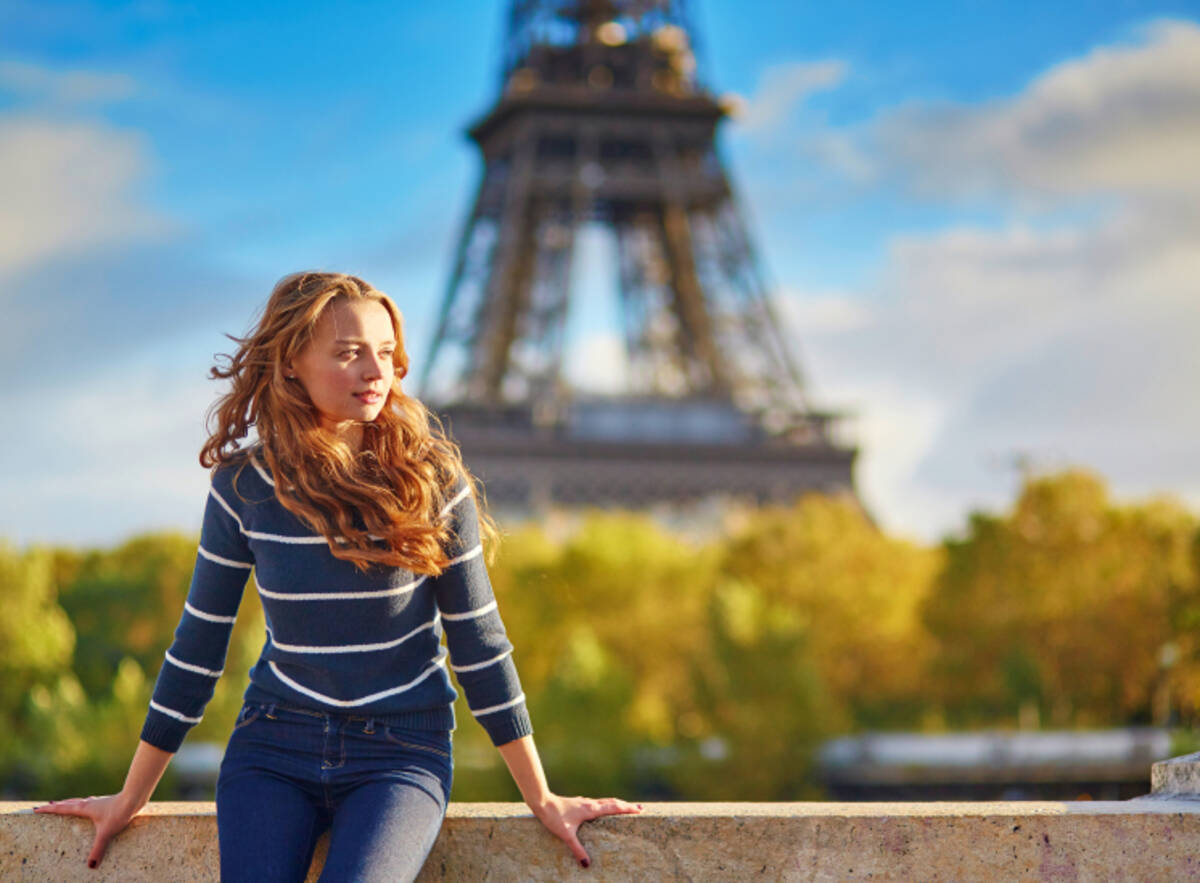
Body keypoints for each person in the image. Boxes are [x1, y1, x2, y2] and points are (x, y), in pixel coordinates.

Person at [36, 272, 642, 880]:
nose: (374, 371)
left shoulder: (430, 482)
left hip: (399, 755)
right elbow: (197, 650)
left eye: (384, 352)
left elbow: (479, 647)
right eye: (349, 353)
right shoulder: (243, 488)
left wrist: (542, 797)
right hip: (272, 747)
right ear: (292, 361)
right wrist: (130, 795)